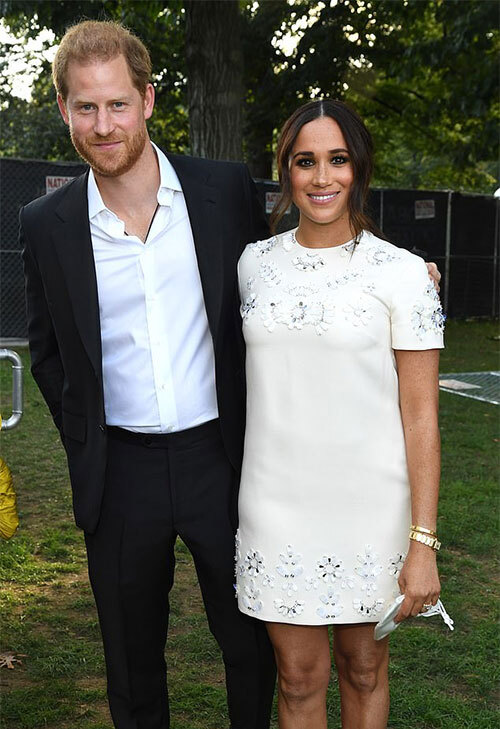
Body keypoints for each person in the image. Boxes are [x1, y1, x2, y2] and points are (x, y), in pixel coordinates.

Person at [20, 20, 276, 729]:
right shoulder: (45, 223)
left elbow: (283, 282)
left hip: (223, 459)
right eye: (86, 106)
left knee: (252, 647)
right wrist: (87, 440)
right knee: (132, 668)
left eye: (118, 104)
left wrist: (392, 271)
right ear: (64, 109)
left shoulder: (222, 190)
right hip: (120, 472)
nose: (103, 126)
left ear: (149, 100)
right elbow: (48, 352)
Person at [235, 99, 445, 729]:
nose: (322, 177)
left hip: (372, 510)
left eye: (338, 159)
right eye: (306, 161)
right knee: (297, 679)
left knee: (363, 669)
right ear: (286, 170)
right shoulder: (252, 265)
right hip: (274, 505)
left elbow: (421, 418)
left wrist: (423, 542)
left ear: (360, 169)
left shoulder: (404, 275)